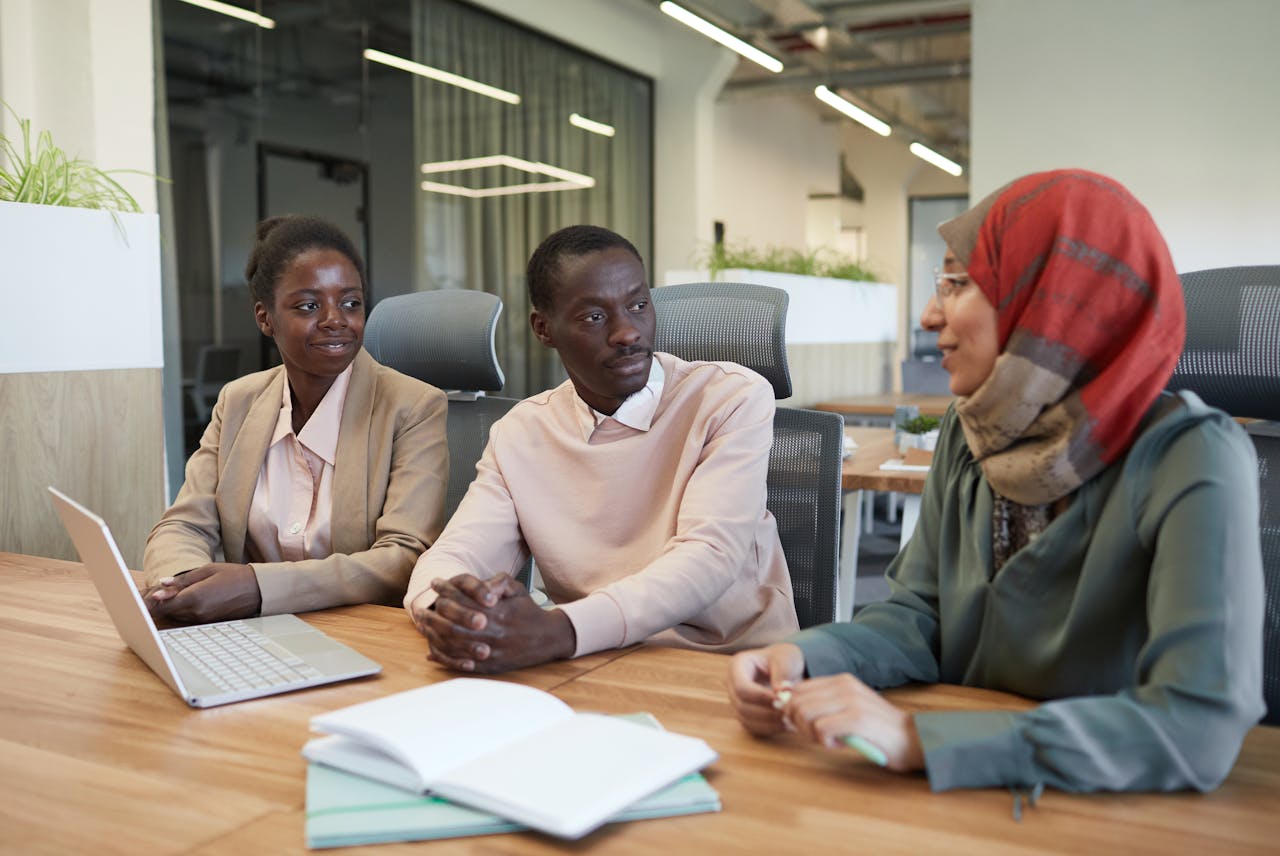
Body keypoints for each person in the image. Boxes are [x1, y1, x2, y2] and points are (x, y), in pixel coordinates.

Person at [728, 169, 1266, 793]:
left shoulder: (1192, 454)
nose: (930, 314)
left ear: (1051, 300)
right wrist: (803, 657)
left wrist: (917, 739)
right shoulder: (974, 427)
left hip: (1103, 807)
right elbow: (919, 615)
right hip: (967, 794)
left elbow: (1196, 724)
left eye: (958, 283)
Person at [404, 224, 798, 672]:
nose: (627, 332)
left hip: (732, 665)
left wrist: (558, 630)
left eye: (638, 305)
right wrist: (446, 611)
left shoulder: (730, 397)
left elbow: (710, 556)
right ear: (544, 328)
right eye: (594, 317)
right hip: (593, 661)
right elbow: (460, 551)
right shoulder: (522, 432)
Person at [143, 215, 449, 624]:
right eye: (309, 305)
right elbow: (184, 524)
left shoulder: (413, 406)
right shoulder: (238, 401)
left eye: (351, 303)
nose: (335, 319)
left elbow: (403, 558)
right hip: (250, 637)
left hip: (365, 634)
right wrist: (181, 585)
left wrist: (257, 587)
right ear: (265, 317)